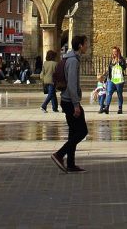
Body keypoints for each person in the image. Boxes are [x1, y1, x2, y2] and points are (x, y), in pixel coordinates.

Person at [51, 34, 89, 173]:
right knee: (82, 131)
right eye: (86, 43)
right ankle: (59, 154)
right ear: (80, 45)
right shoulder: (73, 61)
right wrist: (76, 104)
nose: (87, 46)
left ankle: (71, 164)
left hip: (67, 100)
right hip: (69, 101)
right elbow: (72, 84)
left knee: (73, 132)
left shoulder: (71, 58)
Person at [103, 46, 125, 114]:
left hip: (119, 80)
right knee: (109, 93)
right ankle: (107, 107)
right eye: (113, 52)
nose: (114, 53)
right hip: (111, 79)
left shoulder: (121, 59)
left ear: (118, 52)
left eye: (115, 51)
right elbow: (110, 70)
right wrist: (106, 77)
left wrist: (119, 62)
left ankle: (120, 108)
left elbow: (124, 68)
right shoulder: (111, 60)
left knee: (119, 94)